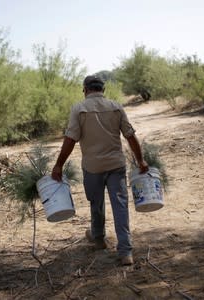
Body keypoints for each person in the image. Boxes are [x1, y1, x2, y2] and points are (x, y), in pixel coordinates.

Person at [51, 75, 149, 266]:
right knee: (120, 205)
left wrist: (58, 165)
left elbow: (70, 139)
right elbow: (130, 136)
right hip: (116, 165)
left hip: (92, 167)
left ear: (85, 90)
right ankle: (125, 251)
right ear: (103, 90)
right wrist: (141, 160)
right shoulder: (116, 106)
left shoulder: (78, 109)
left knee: (96, 202)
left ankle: (98, 238)